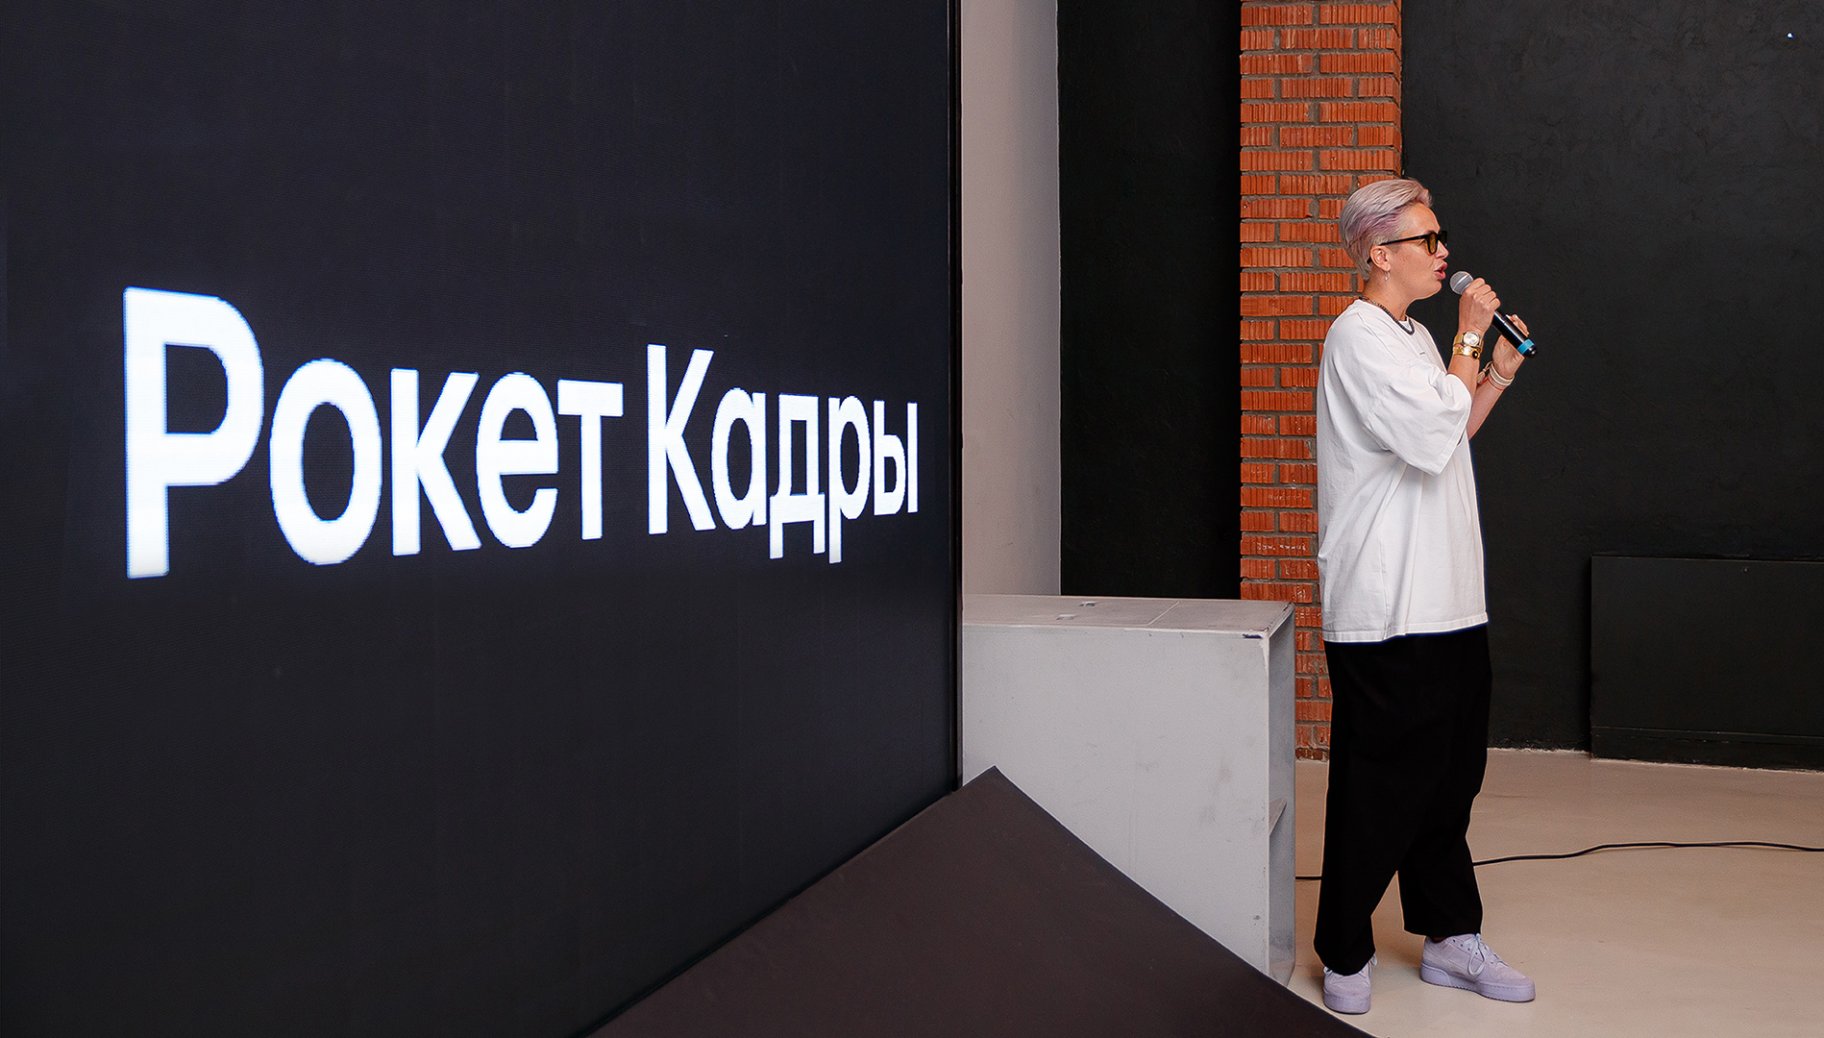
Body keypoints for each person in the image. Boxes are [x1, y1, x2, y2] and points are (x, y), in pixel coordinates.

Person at [1311, 177, 1536, 1016]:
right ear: (1380, 253)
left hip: (1449, 600)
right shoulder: (1357, 336)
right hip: (1388, 608)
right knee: (1380, 788)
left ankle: (1449, 937)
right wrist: (1472, 335)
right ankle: (1344, 947)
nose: (1444, 254)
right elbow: (1433, 426)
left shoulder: (1414, 337)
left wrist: (1493, 376)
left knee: (1450, 781)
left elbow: (1445, 438)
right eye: (1427, 240)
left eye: (1440, 239)